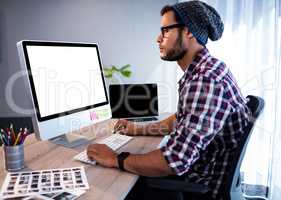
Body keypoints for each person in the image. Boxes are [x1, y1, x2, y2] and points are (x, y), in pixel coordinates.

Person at [87, 1, 251, 199]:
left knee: (111, 189)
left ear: (189, 31)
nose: (158, 38)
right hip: (201, 172)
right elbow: (184, 119)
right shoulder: (209, 68)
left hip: (202, 186)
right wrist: (138, 129)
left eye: (165, 31)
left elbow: (174, 160)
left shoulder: (205, 81)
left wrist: (115, 158)